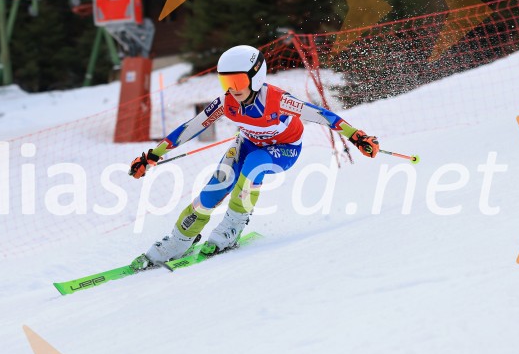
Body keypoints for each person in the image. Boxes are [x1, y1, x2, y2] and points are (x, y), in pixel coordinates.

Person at [128, 45, 380, 266]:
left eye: (237, 82)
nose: (232, 89)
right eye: (226, 83)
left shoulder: (277, 100)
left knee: (254, 164)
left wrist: (357, 136)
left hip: (284, 149)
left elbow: (321, 115)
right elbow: (192, 127)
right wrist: (153, 155)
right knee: (210, 194)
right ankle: (178, 241)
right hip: (247, 144)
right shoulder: (226, 103)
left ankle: (231, 227)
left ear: (255, 77)